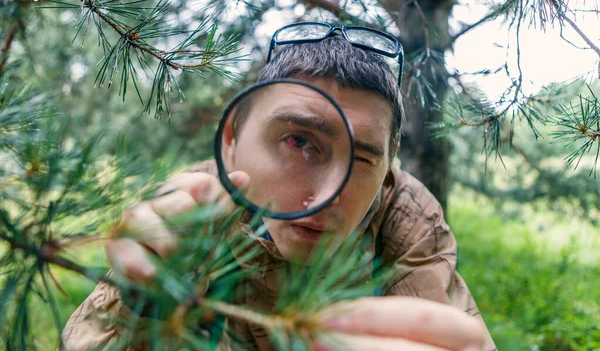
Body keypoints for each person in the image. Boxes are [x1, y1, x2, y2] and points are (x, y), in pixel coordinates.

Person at [60, 24, 497, 351]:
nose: (325, 196)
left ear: (388, 165)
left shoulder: (409, 217)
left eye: (361, 158)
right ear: (237, 141)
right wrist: (136, 302)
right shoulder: (193, 207)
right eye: (298, 141)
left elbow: (440, 325)